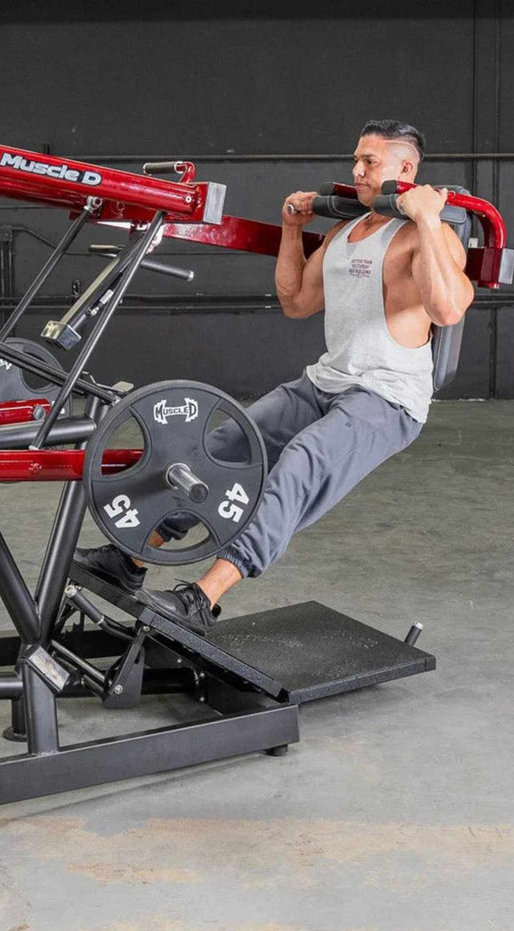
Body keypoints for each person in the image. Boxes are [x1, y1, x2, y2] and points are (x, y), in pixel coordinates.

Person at [75, 119, 473, 633]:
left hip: (387, 398)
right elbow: (296, 302)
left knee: (300, 464)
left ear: (406, 169)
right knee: (219, 445)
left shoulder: (432, 238)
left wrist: (425, 219)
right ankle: (130, 561)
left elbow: (446, 311)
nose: (356, 170)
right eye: (356, 159)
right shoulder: (345, 232)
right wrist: (290, 230)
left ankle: (204, 598)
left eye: (369, 162)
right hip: (325, 383)